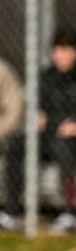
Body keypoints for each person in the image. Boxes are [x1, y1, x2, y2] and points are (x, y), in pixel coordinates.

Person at [1, 27, 76, 233]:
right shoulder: (46, 77)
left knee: (64, 145)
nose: (63, 56)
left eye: (68, 50)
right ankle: (12, 212)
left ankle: (68, 214)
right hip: (50, 138)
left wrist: (71, 123)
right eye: (59, 50)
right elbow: (39, 117)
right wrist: (60, 125)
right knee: (17, 142)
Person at [0, 58, 23, 230]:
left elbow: (15, 108)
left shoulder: (2, 71)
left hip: (3, 132)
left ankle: (11, 212)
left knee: (14, 146)